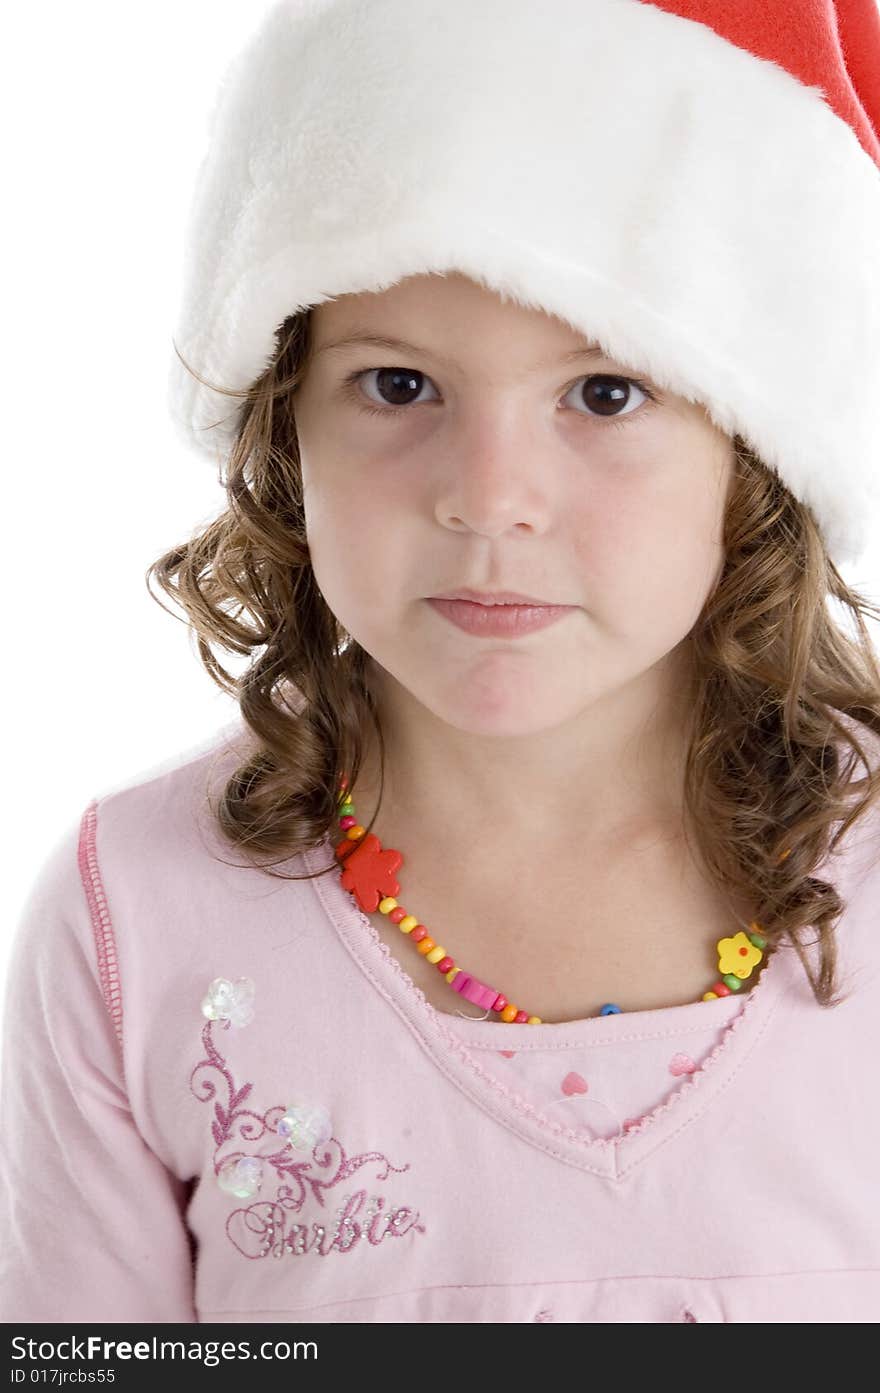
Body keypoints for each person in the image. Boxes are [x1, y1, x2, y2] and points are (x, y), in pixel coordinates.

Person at [2, 0, 880, 1324]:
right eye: (399, 386)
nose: (489, 500)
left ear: (751, 447)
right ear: (284, 430)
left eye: (605, 392)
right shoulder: (138, 915)